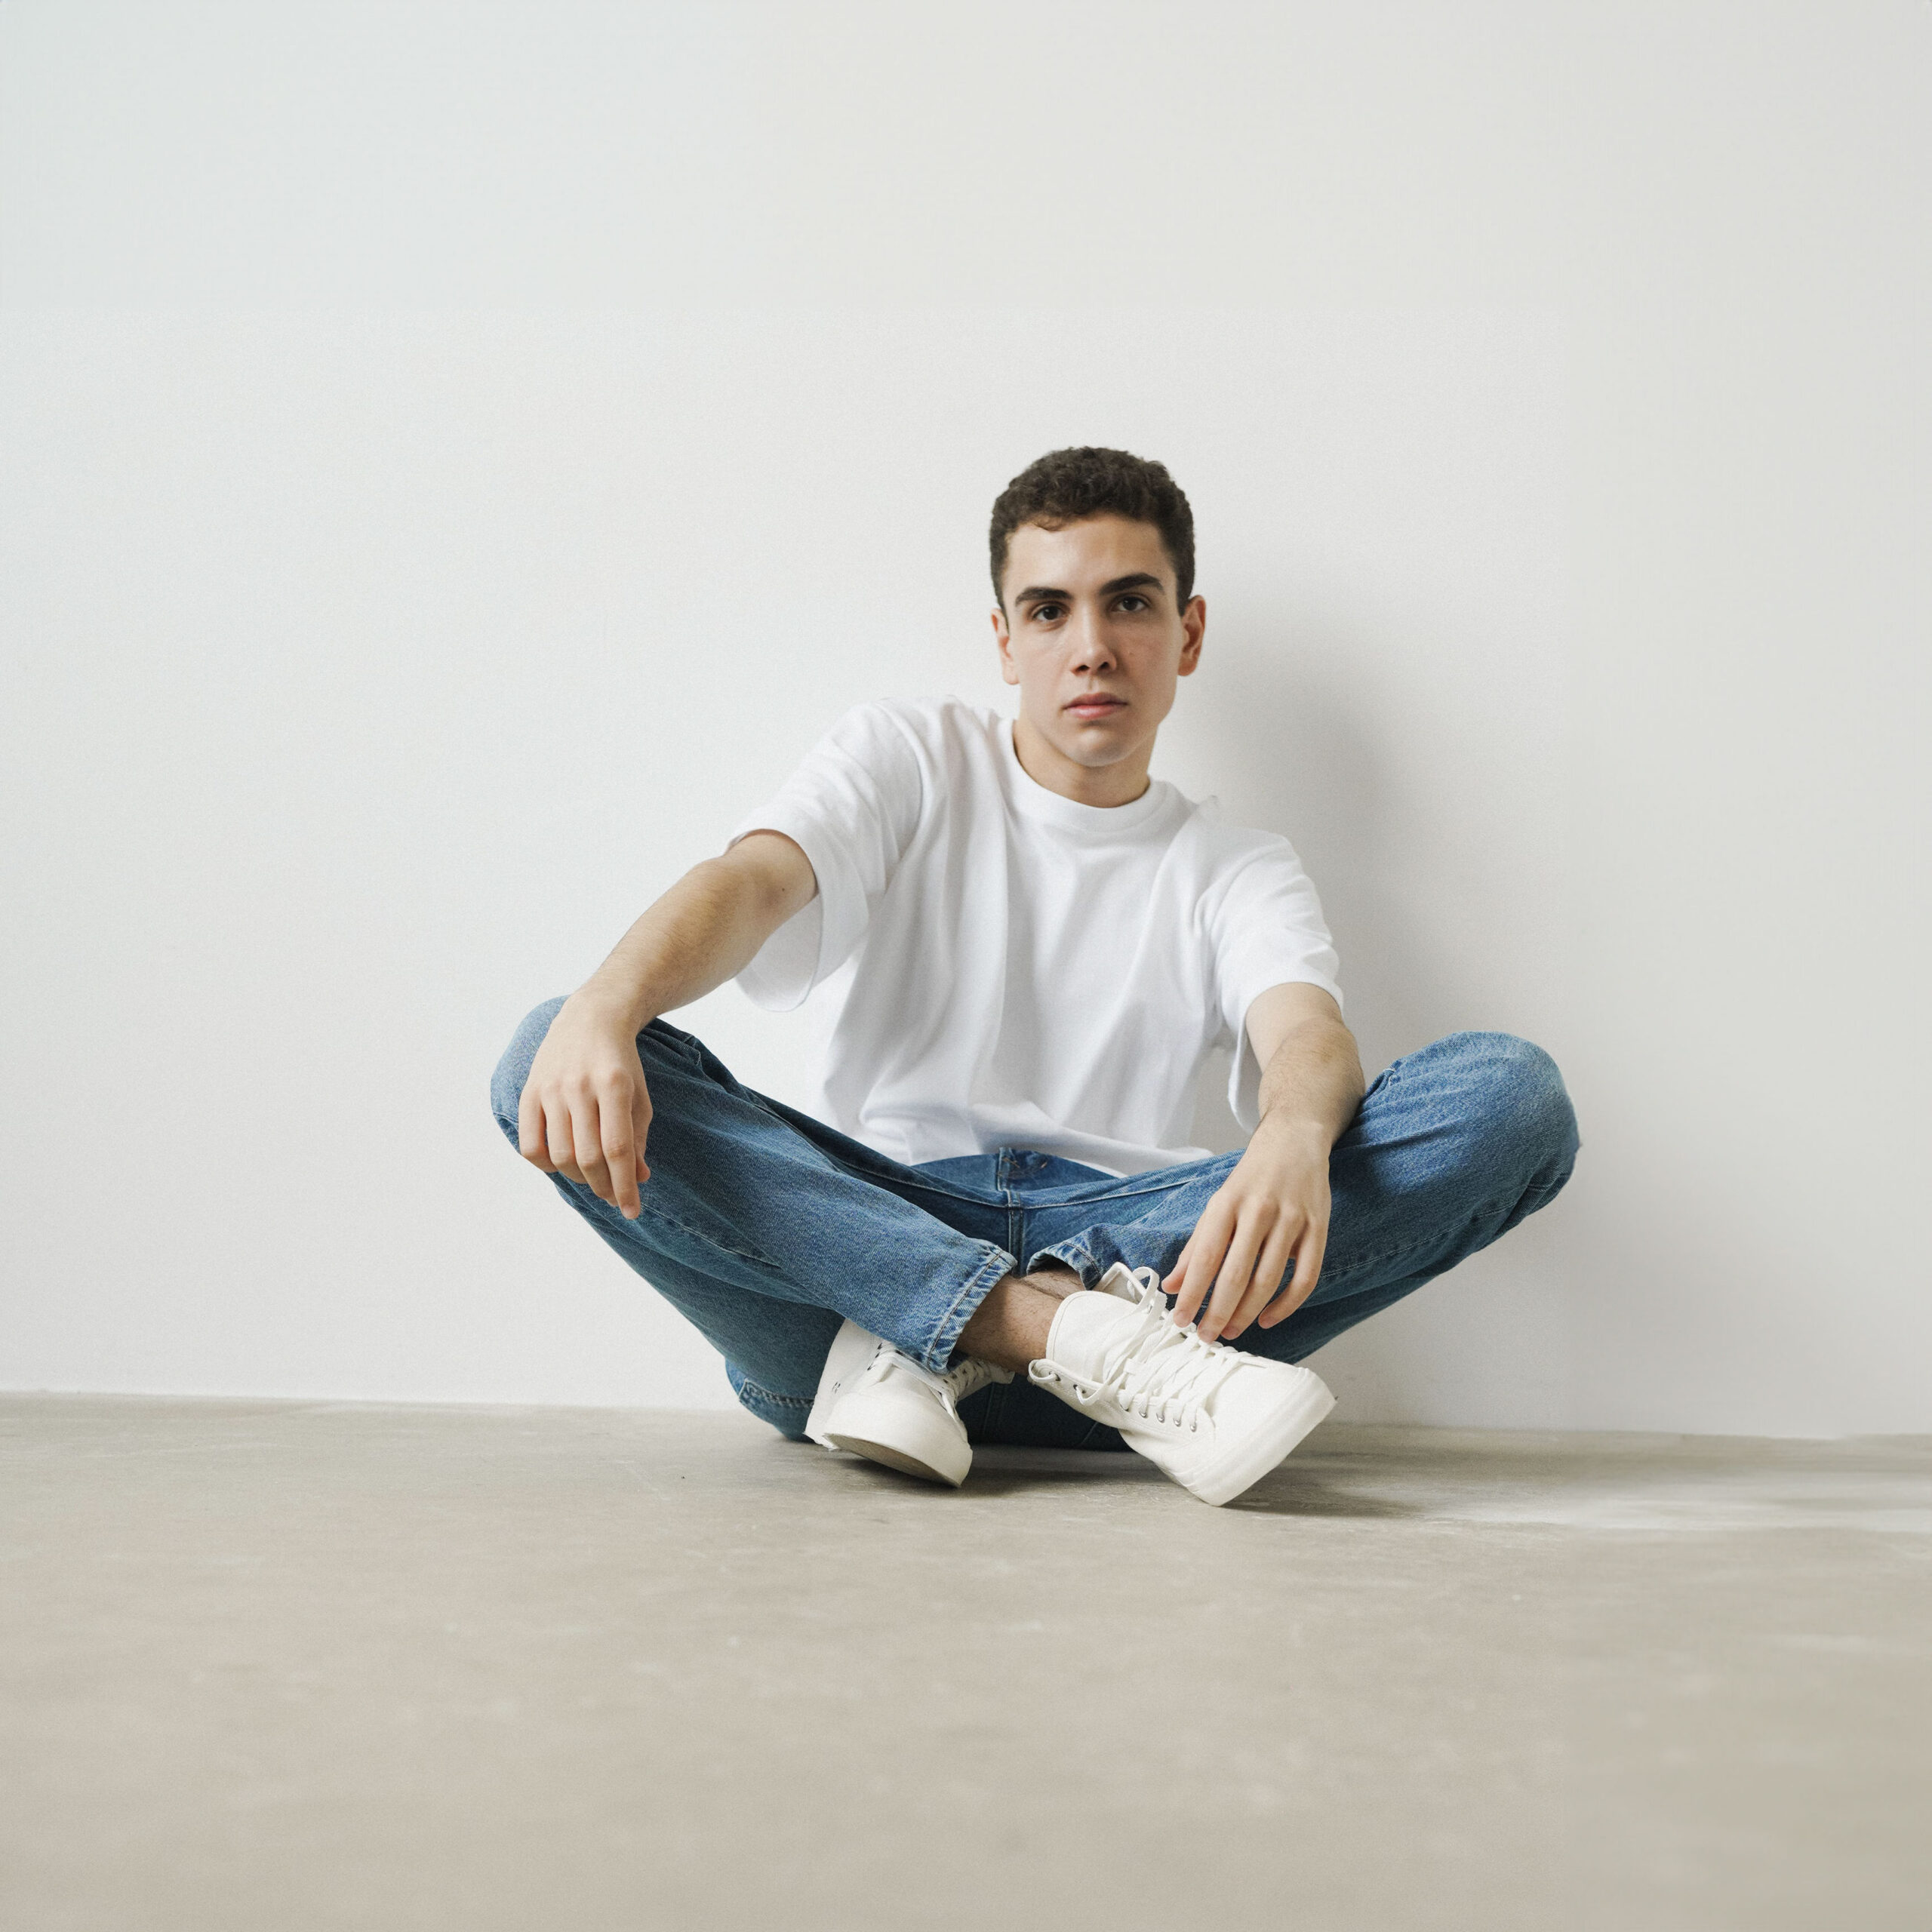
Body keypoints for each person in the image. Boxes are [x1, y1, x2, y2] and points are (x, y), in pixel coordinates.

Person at [491, 447, 1579, 1507]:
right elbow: (753, 884)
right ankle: (1050, 1330)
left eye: (1130, 603)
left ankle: (983, 1327)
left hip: (1138, 1274)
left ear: (1188, 631)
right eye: (1051, 611)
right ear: (1006, 641)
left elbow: (1303, 1032)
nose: (1091, 648)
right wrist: (608, 1007)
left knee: (1511, 1098)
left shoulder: (1236, 867)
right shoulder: (909, 757)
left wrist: (1294, 1135)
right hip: (884, 1254)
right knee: (550, 1045)